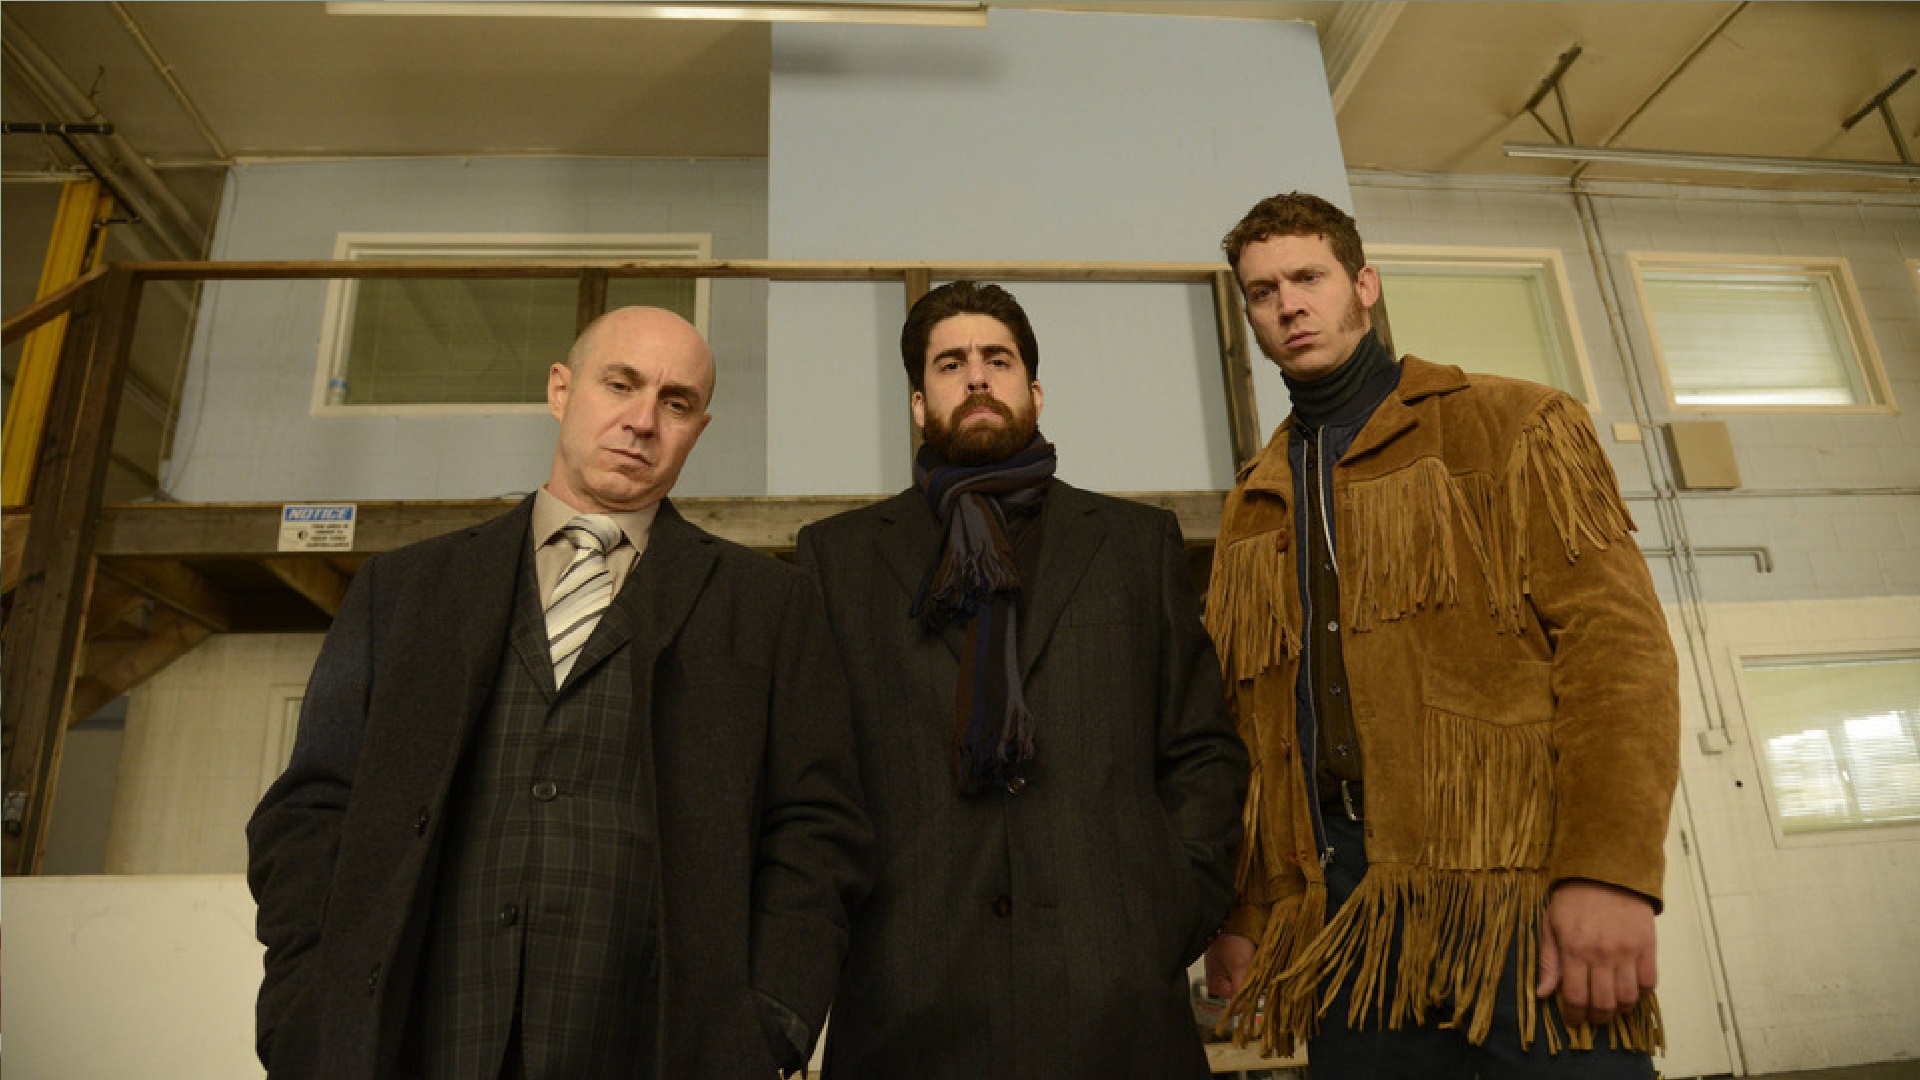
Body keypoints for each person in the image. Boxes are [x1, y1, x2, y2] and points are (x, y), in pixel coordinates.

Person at [247, 307, 873, 1080]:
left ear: (698, 430)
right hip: (413, 1042)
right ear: (560, 390)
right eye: (620, 384)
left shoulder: (770, 607)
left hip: (661, 1051)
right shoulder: (403, 591)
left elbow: (818, 828)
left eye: (676, 403)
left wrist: (770, 1019)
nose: (642, 421)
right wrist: (308, 999)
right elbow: (309, 810)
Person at [1200, 193, 1679, 1077]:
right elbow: (1251, 728)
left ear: (1364, 285)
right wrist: (1247, 912)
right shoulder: (1254, 500)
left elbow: (1618, 655)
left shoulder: (1513, 422)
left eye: (1308, 277)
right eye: (1263, 292)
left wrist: (1609, 871)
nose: (1289, 304)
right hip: (1343, 908)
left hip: (1513, 881)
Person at [795, 281, 1249, 1080]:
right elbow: (812, 781)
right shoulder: (837, 558)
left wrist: (1166, 912)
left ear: (1034, 393)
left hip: (1118, 1009)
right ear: (918, 404)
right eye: (950, 364)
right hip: (908, 1012)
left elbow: (1202, 750)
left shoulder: (1135, 544)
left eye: (997, 360)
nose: (976, 376)